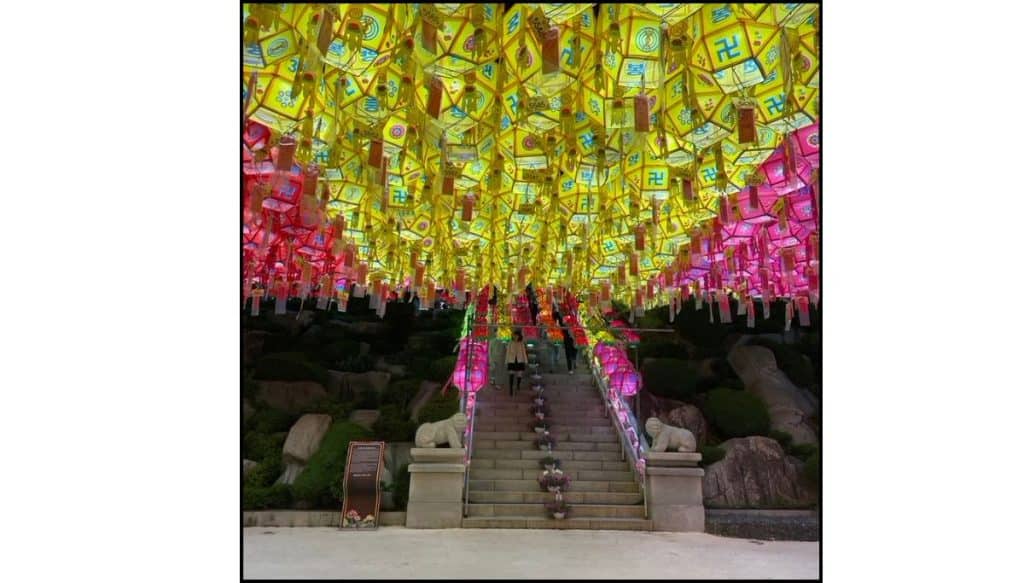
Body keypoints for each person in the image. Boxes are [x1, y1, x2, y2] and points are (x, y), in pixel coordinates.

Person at [505, 330, 528, 397]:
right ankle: (511, 389)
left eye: (517, 336)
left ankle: (518, 385)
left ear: (519, 336)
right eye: (514, 335)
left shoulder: (521, 343)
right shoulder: (510, 343)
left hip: (520, 360)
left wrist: (525, 361)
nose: (515, 337)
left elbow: (523, 352)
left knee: (519, 374)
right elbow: (508, 353)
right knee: (511, 374)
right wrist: (506, 361)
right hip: (511, 360)